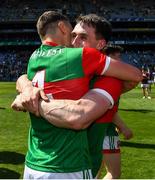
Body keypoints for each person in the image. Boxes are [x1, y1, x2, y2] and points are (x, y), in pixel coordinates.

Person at [11, 12, 142, 179]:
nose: (73, 42)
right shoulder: (66, 63)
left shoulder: (109, 81)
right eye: (73, 35)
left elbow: (77, 117)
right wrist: (27, 87)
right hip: (45, 164)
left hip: (77, 167)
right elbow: (24, 77)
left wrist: (32, 102)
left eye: (82, 37)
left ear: (100, 44)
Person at [96, 44, 133, 179]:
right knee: (113, 173)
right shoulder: (109, 78)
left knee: (94, 172)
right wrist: (124, 127)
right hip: (105, 130)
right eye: (116, 56)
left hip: (91, 130)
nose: (120, 60)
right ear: (106, 57)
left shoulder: (95, 75)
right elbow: (106, 108)